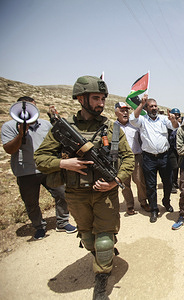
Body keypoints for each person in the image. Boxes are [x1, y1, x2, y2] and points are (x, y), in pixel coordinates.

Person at [34, 76, 134, 299]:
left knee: (105, 239)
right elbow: (40, 158)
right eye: (96, 98)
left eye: (103, 98)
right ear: (81, 99)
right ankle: (99, 255)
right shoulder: (64, 128)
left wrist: (113, 180)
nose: (101, 103)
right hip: (76, 194)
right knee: (88, 238)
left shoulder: (112, 129)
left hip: (105, 193)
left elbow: (128, 159)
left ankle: (101, 278)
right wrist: (63, 163)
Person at [1, 97, 76, 240]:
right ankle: (39, 226)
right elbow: (9, 150)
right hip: (25, 172)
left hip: (48, 168)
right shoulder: (9, 126)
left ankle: (62, 222)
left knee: (62, 194)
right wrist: (21, 134)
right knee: (31, 202)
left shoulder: (45, 124)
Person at [129, 94, 179, 223]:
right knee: (151, 185)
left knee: (168, 182)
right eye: (151, 106)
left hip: (164, 157)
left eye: (155, 105)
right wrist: (141, 104)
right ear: (147, 108)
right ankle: (154, 209)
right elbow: (132, 120)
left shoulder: (163, 119)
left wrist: (173, 119)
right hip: (149, 158)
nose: (154, 108)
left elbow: (174, 126)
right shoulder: (142, 120)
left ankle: (166, 202)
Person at [114, 102, 149, 215]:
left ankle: (143, 202)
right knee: (125, 183)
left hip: (136, 156)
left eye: (126, 110)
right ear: (116, 112)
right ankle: (129, 205)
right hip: (122, 158)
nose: (125, 113)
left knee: (140, 180)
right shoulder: (114, 126)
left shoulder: (134, 124)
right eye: (122, 110)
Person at [168, 108, 181, 194]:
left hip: (178, 148)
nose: (176, 116)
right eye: (174, 114)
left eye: (177, 115)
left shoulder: (180, 124)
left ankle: (175, 182)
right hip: (170, 148)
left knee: (177, 167)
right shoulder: (167, 124)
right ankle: (172, 184)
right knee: (174, 166)